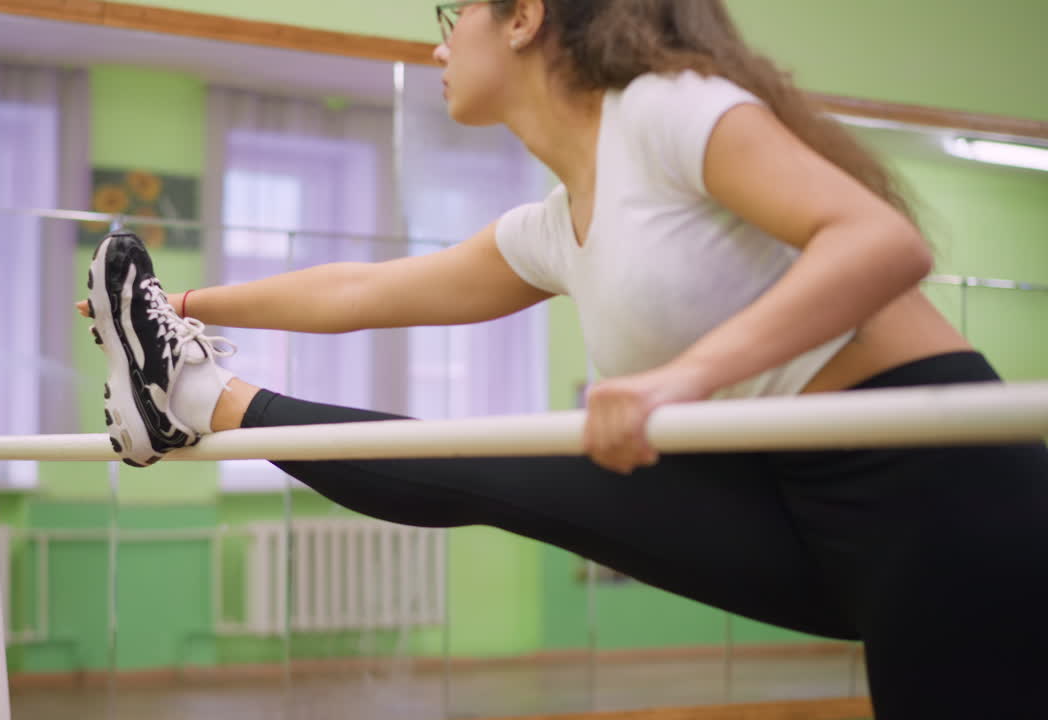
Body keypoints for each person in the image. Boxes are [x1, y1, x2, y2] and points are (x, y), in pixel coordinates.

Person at [78, 1, 1048, 717]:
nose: (437, 42)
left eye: (449, 14)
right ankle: (196, 389)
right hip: (796, 501)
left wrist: (681, 379)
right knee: (487, 468)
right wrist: (176, 305)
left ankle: (199, 395)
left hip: (940, 486)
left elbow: (879, 241)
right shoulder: (555, 223)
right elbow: (364, 292)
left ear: (523, 18)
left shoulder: (669, 111)